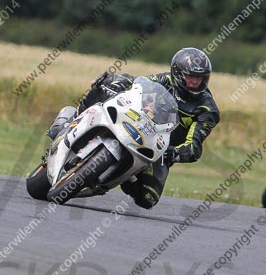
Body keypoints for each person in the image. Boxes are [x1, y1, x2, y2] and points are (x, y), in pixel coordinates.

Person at [47, 47, 220, 209]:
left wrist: (174, 153)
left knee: (148, 198)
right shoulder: (166, 80)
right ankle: (69, 122)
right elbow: (140, 83)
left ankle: (125, 175)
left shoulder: (207, 109)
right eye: (190, 77)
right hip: (137, 124)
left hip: (160, 150)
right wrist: (119, 81)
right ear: (178, 73)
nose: (195, 82)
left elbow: (194, 147)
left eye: (200, 78)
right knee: (104, 85)